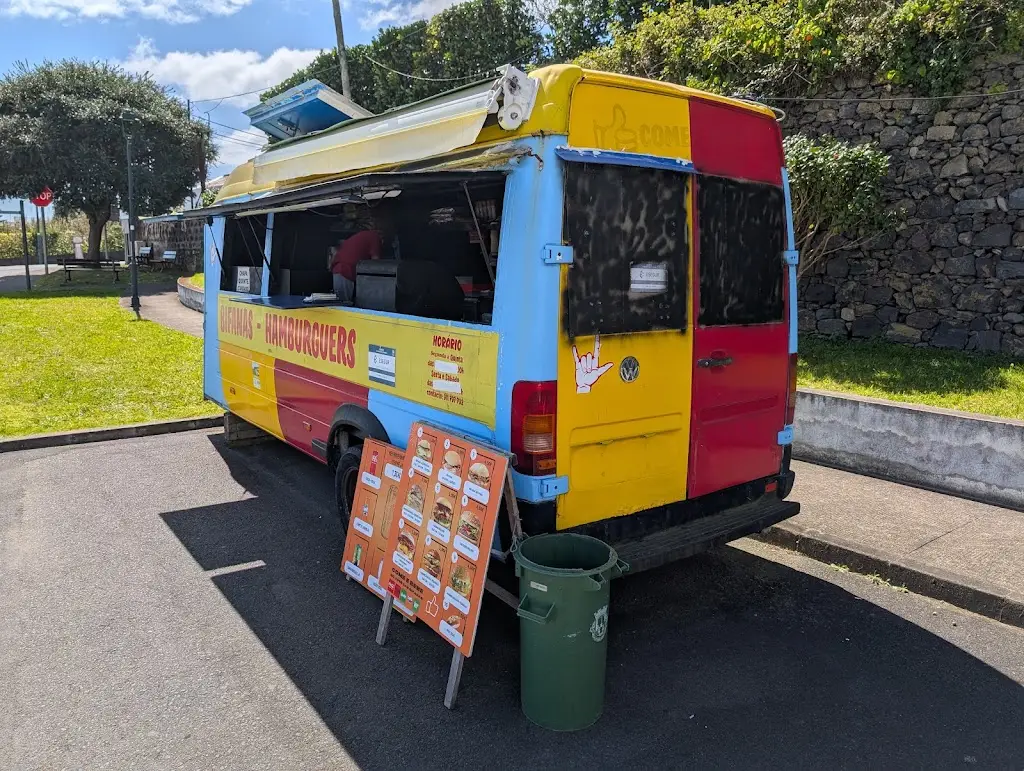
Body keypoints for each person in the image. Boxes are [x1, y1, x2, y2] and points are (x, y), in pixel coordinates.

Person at [330, 210, 393, 302]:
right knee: (344, 304)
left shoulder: (362, 235)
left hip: (338, 270)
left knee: (342, 302)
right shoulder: (374, 237)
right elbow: (376, 264)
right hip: (346, 271)